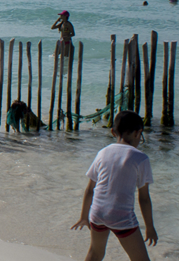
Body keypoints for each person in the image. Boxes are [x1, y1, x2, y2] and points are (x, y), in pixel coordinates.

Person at [71, 110, 157, 261]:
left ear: (112, 131)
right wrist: (150, 227)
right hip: (121, 216)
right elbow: (143, 198)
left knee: (95, 253)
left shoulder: (102, 153)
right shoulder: (140, 158)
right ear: (138, 133)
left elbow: (90, 189)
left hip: (97, 213)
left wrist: (84, 217)